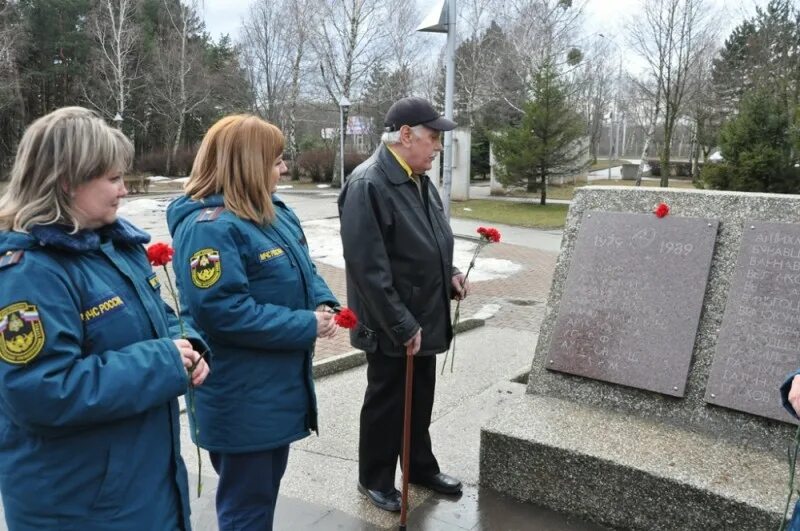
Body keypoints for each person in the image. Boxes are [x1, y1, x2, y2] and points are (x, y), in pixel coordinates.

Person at [0, 106, 210, 530]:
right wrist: (165, 361)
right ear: (67, 181)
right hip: (81, 506)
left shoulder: (112, 246)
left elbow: (155, 319)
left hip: (138, 486)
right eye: (113, 179)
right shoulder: (28, 274)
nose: (125, 191)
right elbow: (41, 391)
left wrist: (188, 346)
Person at [167, 114, 339, 531]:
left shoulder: (273, 212)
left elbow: (305, 268)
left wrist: (324, 301)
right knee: (247, 509)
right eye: (276, 160)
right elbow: (224, 314)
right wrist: (306, 325)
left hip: (272, 391)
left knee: (259, 500)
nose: (283, 169)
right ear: (246, 163)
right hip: (241, 397)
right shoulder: (208, 230)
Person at [338, 96, 470, 512]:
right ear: (406, 135)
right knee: (388, 401)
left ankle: (418, 466)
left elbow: (430, 238)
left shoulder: (417, 177)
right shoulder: (368, 184)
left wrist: (447, 273)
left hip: (423, 313)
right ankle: (374, 478)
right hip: (391, 322)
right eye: (433, 137)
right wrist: (402, 324)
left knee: (420, 397)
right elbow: (368, 270)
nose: (438, 147)